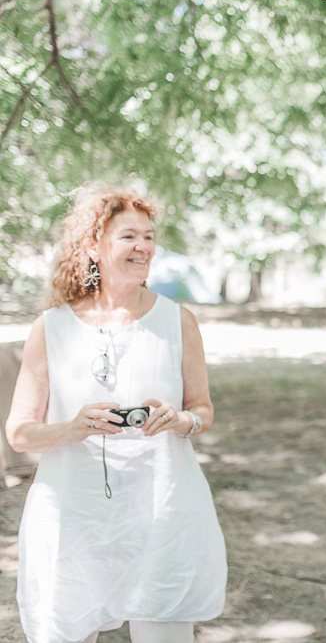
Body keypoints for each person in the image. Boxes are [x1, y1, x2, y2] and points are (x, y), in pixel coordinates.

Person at [5, 182, 226, 643]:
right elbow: (19, 433)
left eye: (148, 236)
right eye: (129, 236)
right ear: (92, 246)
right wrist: (72, 428)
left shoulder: (177, 320)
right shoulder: (52, 327)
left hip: (162, 509)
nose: (144, 246)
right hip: (73, 514)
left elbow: (202, 408)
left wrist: (183, 420)